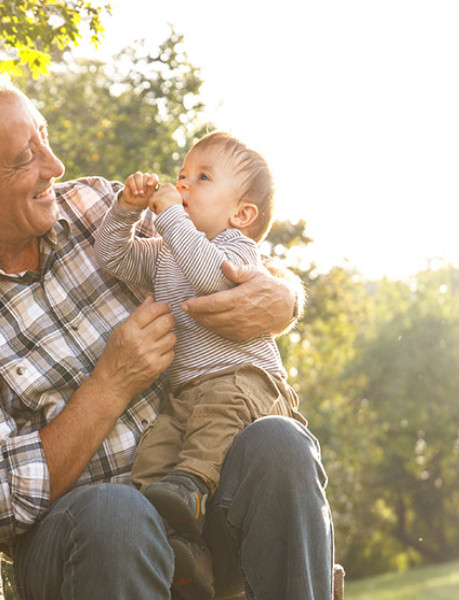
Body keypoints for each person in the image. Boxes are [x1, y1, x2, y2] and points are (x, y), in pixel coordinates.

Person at [0, 69, 334, 600]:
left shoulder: (100, 207)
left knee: (280, 441)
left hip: (200, 506)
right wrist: (109, 385)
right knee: (115, 510)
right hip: (85, 544)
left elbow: (218, 258)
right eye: (24, 158)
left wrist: (285, 295)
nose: (54, 167)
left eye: (45, 138)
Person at [93, 131, 310, 599]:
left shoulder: (237, 250)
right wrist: (127, 211)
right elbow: (112, 257)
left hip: (244, 382)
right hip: (185, 394)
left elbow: (210, 278)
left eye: (202, 178)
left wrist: (169, 214)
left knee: (212, 424)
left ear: (241, 214)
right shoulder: (167, 250)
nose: (184, 185)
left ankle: (191, 486)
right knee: (153, 457)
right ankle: (184, 554)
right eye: (181, 176)